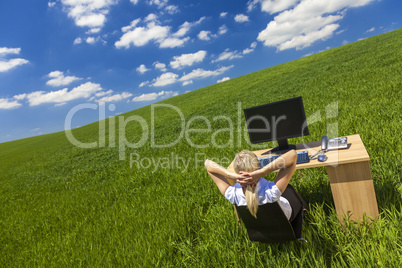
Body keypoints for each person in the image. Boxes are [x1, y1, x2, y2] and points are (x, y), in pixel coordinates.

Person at [204, 149, 304, 222]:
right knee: (289, 189)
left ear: (236, 171)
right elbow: (292, 155)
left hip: (260, 231)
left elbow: (208, 164)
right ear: (257, 168)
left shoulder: (233, 194)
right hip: (284, 221)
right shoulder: (271, 191)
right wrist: (262, 172)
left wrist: (232, 176)